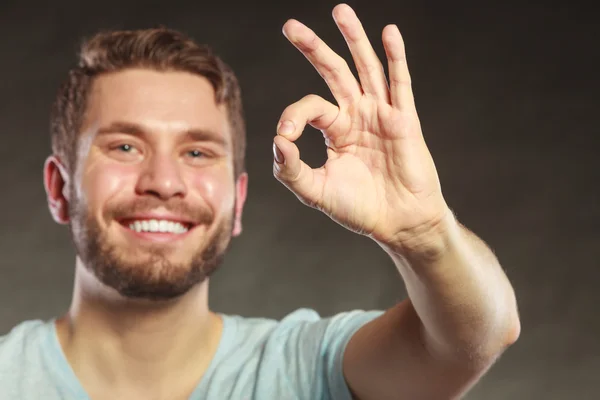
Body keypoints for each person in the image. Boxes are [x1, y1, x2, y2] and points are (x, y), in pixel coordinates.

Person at [0, 3, 520, 400]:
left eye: (198, 151)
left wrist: (423, 232)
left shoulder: (308, 368)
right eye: (125, 147)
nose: (164, 181)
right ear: (58, 188)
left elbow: (482, 332)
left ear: (238, 200)